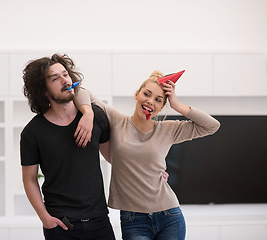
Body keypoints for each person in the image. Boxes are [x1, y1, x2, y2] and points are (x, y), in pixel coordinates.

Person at [74, 70, 221, 240]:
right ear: (137, 94)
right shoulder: (117, 121)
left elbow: (211, 126)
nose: (150, 102)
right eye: (146, 94)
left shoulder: (168, 129)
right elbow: (80, 91)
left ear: (161, 107)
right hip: (133, 220)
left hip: (169, 216)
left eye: (158, 100)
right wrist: (88, 112)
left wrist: (176, 104)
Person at [20, 53, 116, 240]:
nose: (64, 80)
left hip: (99, 220)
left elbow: (115, 158)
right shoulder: (32, 132)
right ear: (43, 90)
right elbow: (29, 179)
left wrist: (150, 169)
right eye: (55, 78)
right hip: (61, 225)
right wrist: (45, 218)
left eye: (65, 74)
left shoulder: (96, 116)